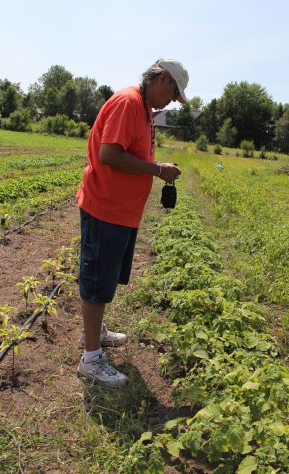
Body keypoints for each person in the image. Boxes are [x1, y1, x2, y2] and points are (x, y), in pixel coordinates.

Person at [76, 58, 189, 387]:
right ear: (162, 79)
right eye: (173, 93)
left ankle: (96, 333)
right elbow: (109, 154)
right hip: (105, 207)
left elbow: (132, 152)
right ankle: (91, 360)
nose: (172, 101)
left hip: (120, 211)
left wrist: (156, 165)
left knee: (105, 278)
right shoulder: (128, 102)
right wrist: (156, 170)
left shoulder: (143, 110)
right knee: (97, 281)